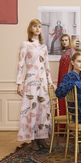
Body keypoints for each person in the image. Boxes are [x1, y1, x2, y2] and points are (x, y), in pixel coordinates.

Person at [16, 19, 53, 150]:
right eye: (35, 26)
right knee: (31, 110)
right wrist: (19, 83)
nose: (38, 29)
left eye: (39, 26)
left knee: (43, 109)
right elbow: (20, 65)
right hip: (30, 81)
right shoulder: (25, 44)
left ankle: (41, 138)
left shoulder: (44, 47)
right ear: (30, 28)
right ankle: (31, 139)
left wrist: (50, 82)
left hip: (42, 82)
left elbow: (47, 66)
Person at [57, 34, 75, 115]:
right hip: (61, 78)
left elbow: (73, 66)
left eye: (66, 40)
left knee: (67, 100)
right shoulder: (64, 52)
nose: (64, 42)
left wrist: (68, 79)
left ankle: (67, 125)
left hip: (67, 79)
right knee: (62, 99)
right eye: (63, 40)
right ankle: (62, 124)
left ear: (69, 41)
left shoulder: (72, 51)